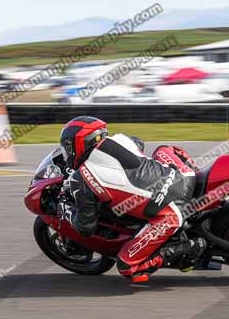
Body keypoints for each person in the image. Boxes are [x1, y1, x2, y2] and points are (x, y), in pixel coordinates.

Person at [56, 116, 206, 283]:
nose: (67, 153)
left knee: (127, 266)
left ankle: (191, 247)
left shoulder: (81, 178)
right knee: (163, 150)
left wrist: (65, 209)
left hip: (170, 213)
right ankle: (202, 180)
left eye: (67, 147)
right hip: (184, 176)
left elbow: (86, 227)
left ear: (78, 143)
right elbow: (138, 142)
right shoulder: (120, 139)